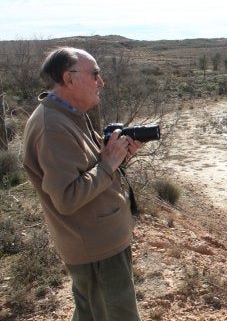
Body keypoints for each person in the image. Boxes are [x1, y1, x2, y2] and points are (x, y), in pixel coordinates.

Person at [23, 47, 143, 321]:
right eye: (96, 74)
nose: (102, 82)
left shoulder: (70, 114)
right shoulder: (52, 126)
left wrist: (118, 158)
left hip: (101, 243)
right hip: (95, 250)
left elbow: (90, 171)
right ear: (70, 78)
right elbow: (67, 198)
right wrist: (109, 164)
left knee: (92, 312)